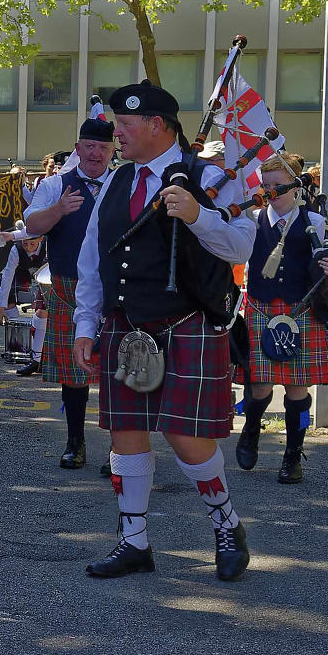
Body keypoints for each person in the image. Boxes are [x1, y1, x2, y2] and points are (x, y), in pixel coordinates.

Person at [74, 83, 256, 583]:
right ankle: (134, 541)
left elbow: (241, 247)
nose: (116, 134)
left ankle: (227, 524)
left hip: (186, 323)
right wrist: (87, 324)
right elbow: (93, 256)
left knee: (186, 436)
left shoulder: (211, 176)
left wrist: (198, 216)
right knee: (126, 434)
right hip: (125, 325)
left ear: (157, 125)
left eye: (124, 125)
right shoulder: (117, 180)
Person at [235, 153, 328, 484]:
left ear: (296, 186)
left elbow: (327, 267)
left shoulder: (315, 222)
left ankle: (293, 454)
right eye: (266, 184)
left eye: (278, 185)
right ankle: (251, 430)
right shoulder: (252, 220)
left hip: (300, 313)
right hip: (261, 310)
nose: (270, 191)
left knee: (298, 390)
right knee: (259, 386)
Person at [21, 113, 118, 470]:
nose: (95, 154)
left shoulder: (123, 183)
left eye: (103, 148)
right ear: (78, 148)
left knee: (117, 372)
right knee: (74, 372)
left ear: (112, 151)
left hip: (116, 287)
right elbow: (32, 225)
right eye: (89, 146)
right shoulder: (55, 185)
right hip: (69, 287)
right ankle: (75, 442)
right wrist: (59, 210)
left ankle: (120, 450)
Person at [0, 232, 48, 376]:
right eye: (25, 243)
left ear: (41, 239)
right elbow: (7, 277)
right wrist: (1, 307)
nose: (28, 247)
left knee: (42, 310)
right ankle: (19, 346)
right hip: (22, 276)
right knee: (8, 302)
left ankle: (38, 355)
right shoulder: (16, 250)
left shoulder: (48, 245)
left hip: (44, 279)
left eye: (32, 244)